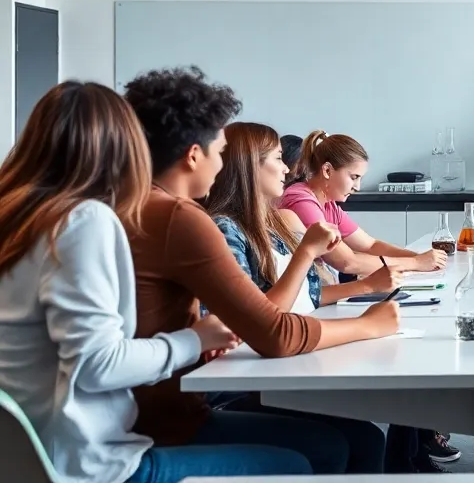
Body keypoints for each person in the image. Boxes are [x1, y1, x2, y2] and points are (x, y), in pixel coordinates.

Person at [0, 80, 312, 483]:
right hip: (88, 464)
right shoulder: (83, 221)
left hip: (26, 457)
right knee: (298, 465)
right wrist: (196, 340)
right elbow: (97, 364)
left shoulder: (19, 216)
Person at [123, 66, 400, 474]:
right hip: (161, 424)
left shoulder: (136, 209)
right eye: (219, 151)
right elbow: (275, 333)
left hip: (160, 409)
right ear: (193, 155)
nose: (222, 164)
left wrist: (201, 334)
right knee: (323, 453)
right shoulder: (183, 218)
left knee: (351, 442)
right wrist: (370, 325)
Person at [204, 121, 458, 472]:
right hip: (245, 378)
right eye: (278, 159)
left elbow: (303, 294)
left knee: (368, 439)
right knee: (351, 442)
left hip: (278, 356)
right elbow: (259, 320)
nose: (288, 168)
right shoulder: (232, 227)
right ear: (250, 167)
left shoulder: (272, 222)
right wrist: (311, 257)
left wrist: (370, 285)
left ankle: (413, 454)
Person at [280, 130, 447, 277]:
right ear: (327, 170)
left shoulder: (328, 204)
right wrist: (416, 263)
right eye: (354, 177)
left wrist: (419, 258)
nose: (357, 187)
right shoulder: (301, 201)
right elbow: (347, 262)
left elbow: (371, 245)